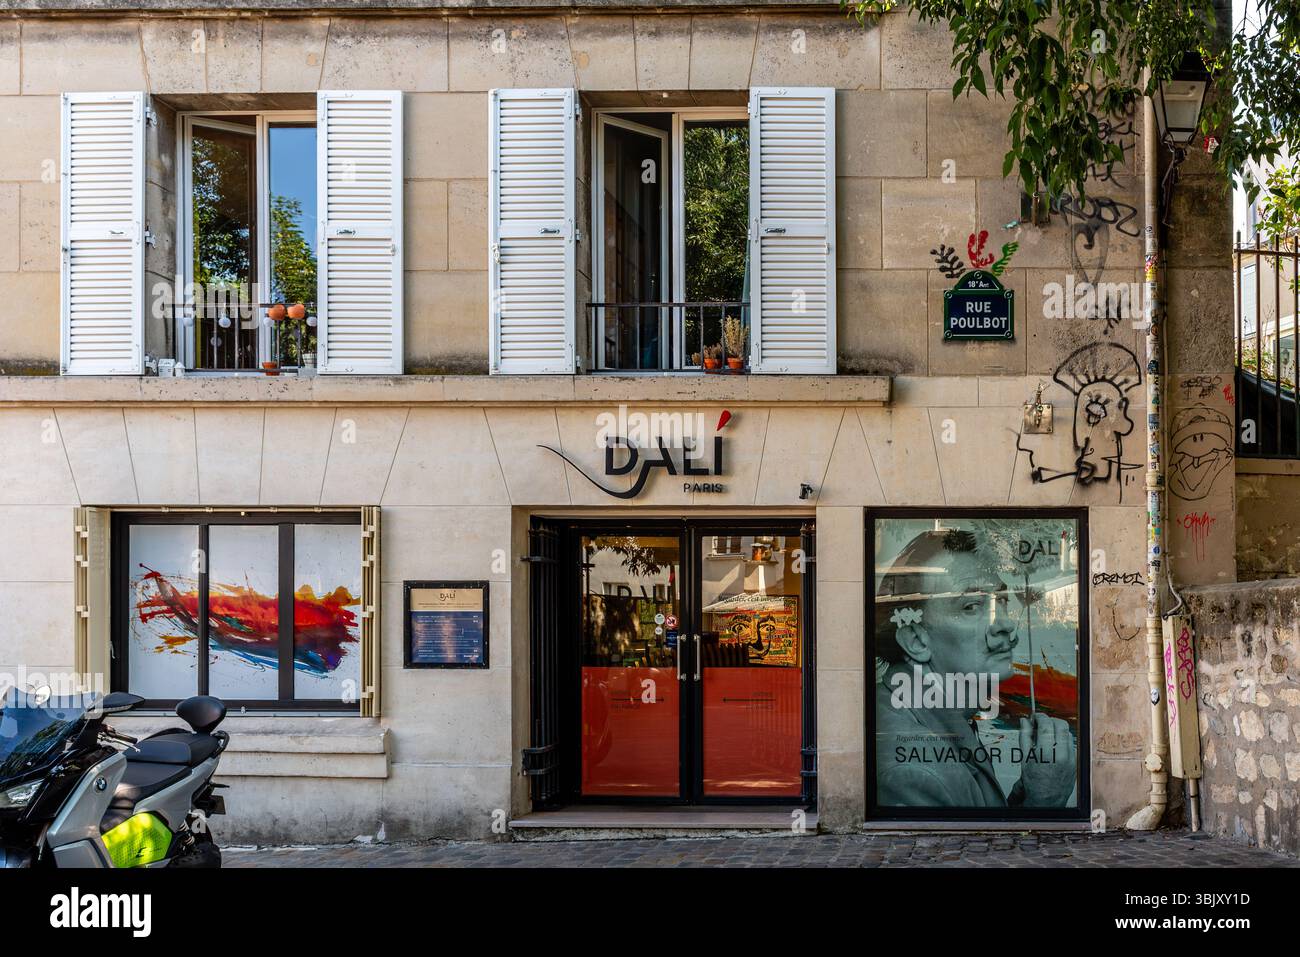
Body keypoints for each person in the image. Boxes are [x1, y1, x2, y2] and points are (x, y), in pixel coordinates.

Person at [873, 528, 1076, 808]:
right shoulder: (912, 775)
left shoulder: (940, 715)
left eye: (1001, 601)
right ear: (916, 640)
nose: (1006, 625)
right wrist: (1046, 802)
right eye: (971, 606)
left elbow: (978, 832)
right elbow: (970, 852)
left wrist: (1030, 792)